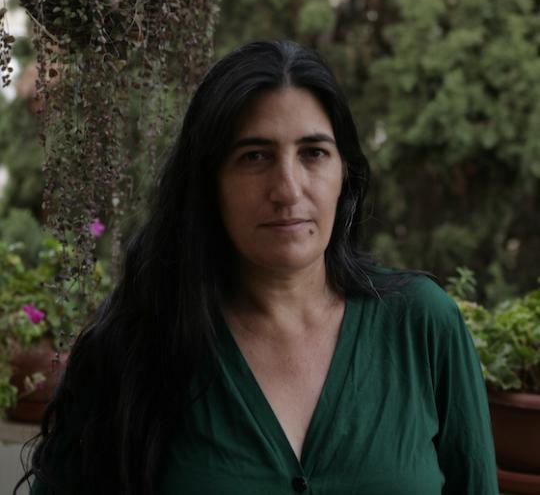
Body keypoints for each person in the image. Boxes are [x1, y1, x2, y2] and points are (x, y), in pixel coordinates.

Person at [19, 40, 498, 494]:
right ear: (209, 183)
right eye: (255, 156)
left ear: (343, 176)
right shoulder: (137, 345)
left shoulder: (422, 328)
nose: (288, 189)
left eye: (313, 153)